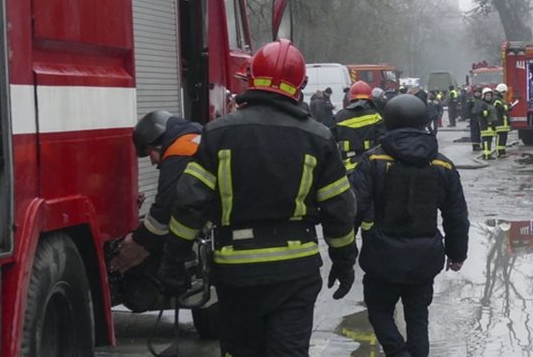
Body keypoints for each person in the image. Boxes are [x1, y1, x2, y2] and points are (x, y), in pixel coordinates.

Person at [159, 39, 357, 356]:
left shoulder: (217, 133)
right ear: (301, 85)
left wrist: (173, 261)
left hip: (236, 274)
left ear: (250, 79)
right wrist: (344, 261)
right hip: (296, 273)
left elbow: (188, 203)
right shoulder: (318, 137)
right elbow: (340, 209)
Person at [350, 94, 469, 357]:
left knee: (379, 311)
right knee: (418, 318)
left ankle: (397, 352)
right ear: (424, 121)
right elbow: (456, 214)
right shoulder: (442, 164)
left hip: (383, 256)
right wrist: (457, 253)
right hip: (425, 259)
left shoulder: (373, 161)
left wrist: (345, 253)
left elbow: (354, 210)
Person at [110, 111, 202, 279]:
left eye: (149, 152)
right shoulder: (195, 138)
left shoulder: (179, 151)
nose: (152, 162)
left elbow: (165, 209)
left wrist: (138, 241)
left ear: (158, 142)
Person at [334, 81, 386, 173]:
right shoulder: (374, 116)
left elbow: (331, 140)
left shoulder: (339, 116)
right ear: (370, 98)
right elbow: (383, 139)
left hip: (346, 167)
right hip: (370, 164)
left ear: (350, 97)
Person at [476, 88, 499, 160]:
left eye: (490, 95)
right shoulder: (482, 104)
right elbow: (479, 113)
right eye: (487, 95)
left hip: (491, 125)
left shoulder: (490, 104)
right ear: (484, 96)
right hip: (485, 125)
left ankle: (488, 155)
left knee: (489, 140)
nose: (489, 97)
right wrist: (484, 113)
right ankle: (486, 155)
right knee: (486, 140)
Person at [494, 83, 511, 158]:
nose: (504, 94)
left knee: (503, 138)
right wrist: (507, 107)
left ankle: (502, 152)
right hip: (499, 122)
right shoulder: (496, 99)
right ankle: (499, 152)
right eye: (504, 92)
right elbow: (499, 108)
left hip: (503, 122)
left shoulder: (500, 99)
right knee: (500, 138)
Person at [467, 86, 482, 151]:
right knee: (474, 132)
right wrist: (467, 117)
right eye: (476, 92)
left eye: (479, 92)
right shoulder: (471, 100)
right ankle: (475, 146)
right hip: (473, 117)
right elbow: (467, 109)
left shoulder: (481, 100)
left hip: (480, 117)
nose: (477, 94)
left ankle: (478, 144)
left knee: (479, 132)